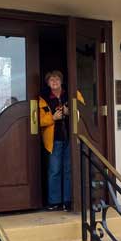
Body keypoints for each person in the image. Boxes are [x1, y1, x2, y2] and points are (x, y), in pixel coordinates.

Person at [39, 70, 84, 211]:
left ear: (61, 81)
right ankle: (54, 202)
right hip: (54, 139)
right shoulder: (43, 98)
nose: (54, 82)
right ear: (48, 83)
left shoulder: (71, 93)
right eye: (51, 80)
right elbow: (38, 120)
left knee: (69, 169)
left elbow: (83, 109)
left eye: (57, 79)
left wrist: (69, 112)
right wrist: (53, 118)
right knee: (54, 170)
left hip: (70, 138)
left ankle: (68, 201)